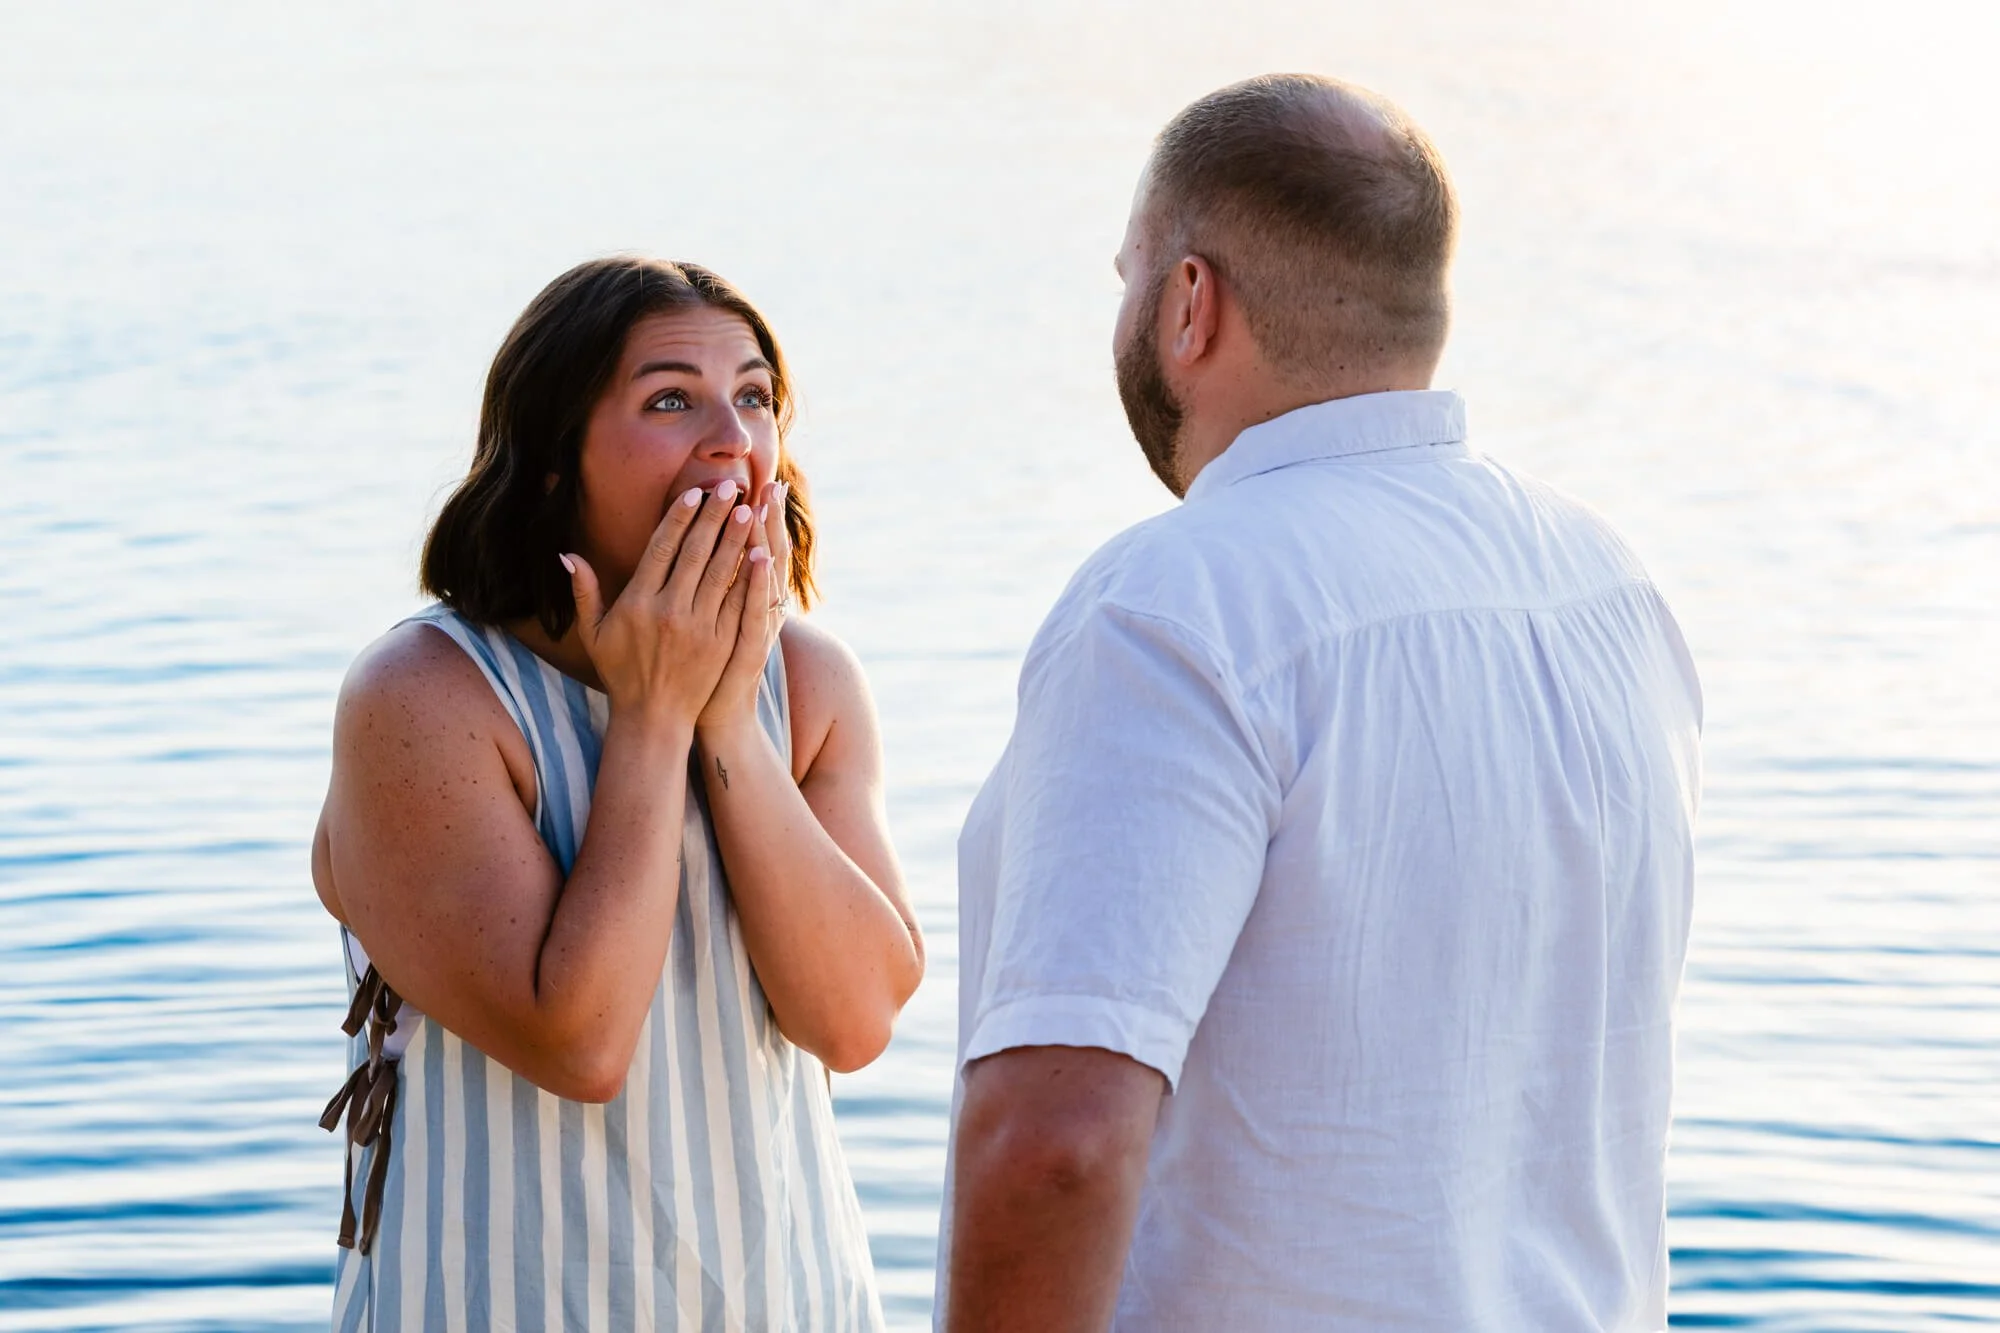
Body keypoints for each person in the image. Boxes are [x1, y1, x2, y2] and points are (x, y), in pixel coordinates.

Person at [940, 74, 1702, 1332]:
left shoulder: (1173, 608)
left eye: (1128, 274)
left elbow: (1058, 1141)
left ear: (1190, 301)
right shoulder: (1608, 587)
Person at [311, 256, 922, 1332]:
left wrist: (726, 716)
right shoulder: (424, 698)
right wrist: (651, 720)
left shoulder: (808, 682)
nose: (731, 438)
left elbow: (854, 1019)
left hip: (794, 1301)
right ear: (554, 462)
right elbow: (580, 1041)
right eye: (669, 399)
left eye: (753, 396)